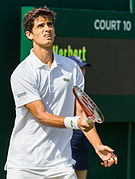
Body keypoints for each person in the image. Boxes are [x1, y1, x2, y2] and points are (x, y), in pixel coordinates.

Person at [5, 6, 117, 179]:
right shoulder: (23, 73)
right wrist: (75, 122)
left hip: (61, 165)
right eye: (40, 26)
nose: (47, 29)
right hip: (25, 166)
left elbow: (81, 114)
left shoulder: (72, 68)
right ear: (29, 34)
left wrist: (98, 146)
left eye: (49, 24)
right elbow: (41, 115)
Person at [69, 56, 91, 179]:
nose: (82, 71)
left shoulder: (82, 91)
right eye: (79, 68)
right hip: (67, 139)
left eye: (83, 68)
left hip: (82, 139)